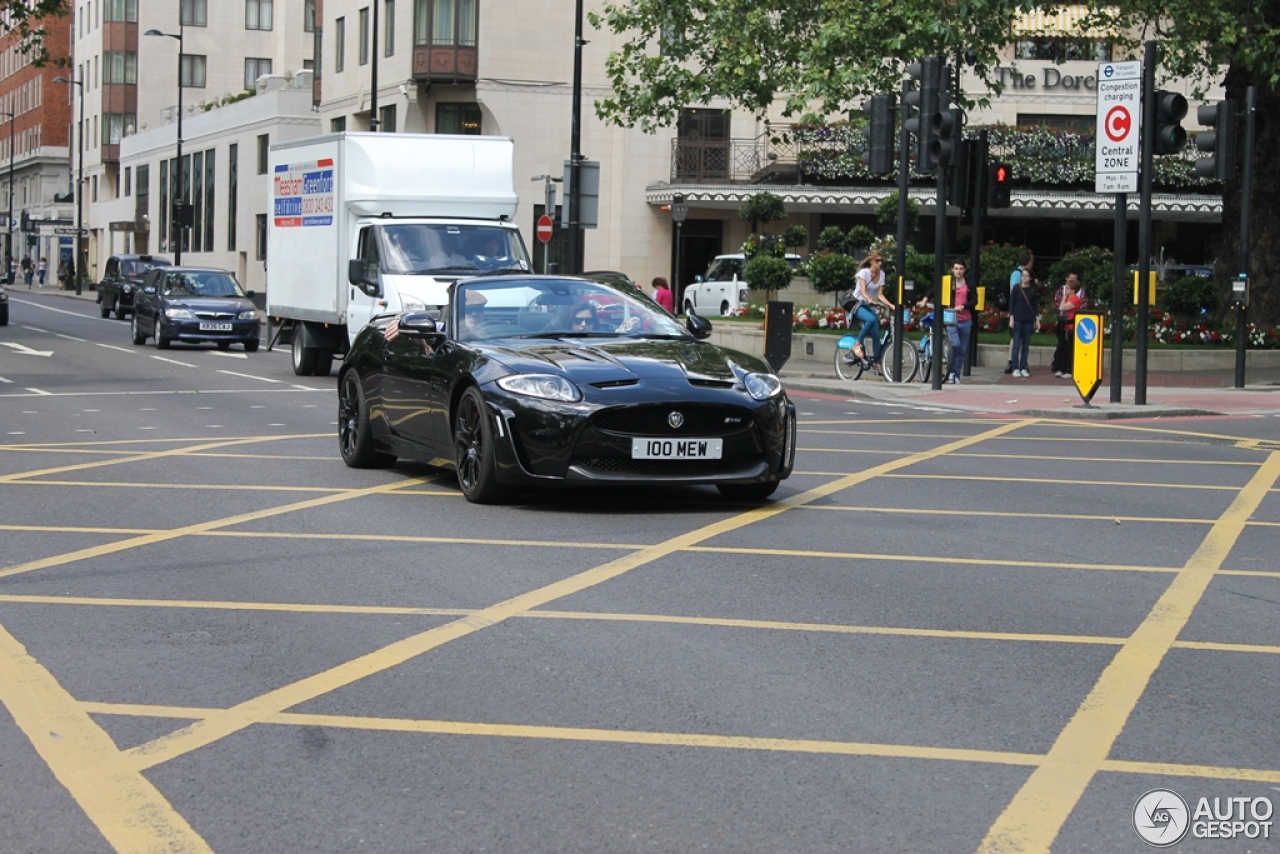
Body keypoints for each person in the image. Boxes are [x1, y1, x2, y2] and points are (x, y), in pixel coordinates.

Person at [917, 257, 977, 384]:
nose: (958, 271)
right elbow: (933, 290)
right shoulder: (948, 282)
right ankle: (950, 372)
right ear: (952, 269)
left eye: (961, 269)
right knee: (954, 345)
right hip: (951, 318)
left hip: (966, 319)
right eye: (956, 269)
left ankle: (956, 374)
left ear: (964, 270)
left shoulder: (969, 283)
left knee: (962, 349)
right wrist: (924, 300)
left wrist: (964, 306)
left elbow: (974, 300)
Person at [849, 251, 895, 370]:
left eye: (881, 261)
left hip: (869, 305)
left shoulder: (882, 275)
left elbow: (880, 295)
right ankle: (857, 344)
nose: (880, 263)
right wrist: (869, 299)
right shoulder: (864, 273)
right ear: (871, 261)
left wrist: (891, 305)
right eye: (877, 261)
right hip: (857, 304)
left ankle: (877, 362)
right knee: (871, 319)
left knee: (876, 334)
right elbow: (863, 291)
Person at [1051, 272, 1087, 378]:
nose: (1065, 290)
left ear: (1072, 290)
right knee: (1062, 348)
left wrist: (1063, 298)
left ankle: (1069, 370)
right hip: (1064, 326)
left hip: (1070, 327)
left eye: (1067, 288)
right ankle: (1061, 368)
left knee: (1069, 349)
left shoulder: (1075, 300)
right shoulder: (1068, 298)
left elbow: (1062, 307)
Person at [1009, 259, 1040, 377]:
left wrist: (1037, 320)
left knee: (1026, 345)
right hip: (1017, 319)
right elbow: (1012, 304)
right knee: (1016, 344)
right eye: (1023, 276)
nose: (1024, 278)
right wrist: (1011, 318)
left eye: (1027, 276)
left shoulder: (1033, 289)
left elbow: (1035, 306)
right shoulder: (1017, 288)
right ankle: (1015, 367)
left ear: (1031, 278)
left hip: (1028, 319)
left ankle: (1023, 366)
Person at [1005, 251, 1034, 374]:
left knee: (1018, 340)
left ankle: (1015, 362)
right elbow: (1014, 293)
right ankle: (1013, 362)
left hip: (1021, 314)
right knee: (1016, 339)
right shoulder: (1018, 274)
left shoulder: (1015, 273)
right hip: (1018, 313)